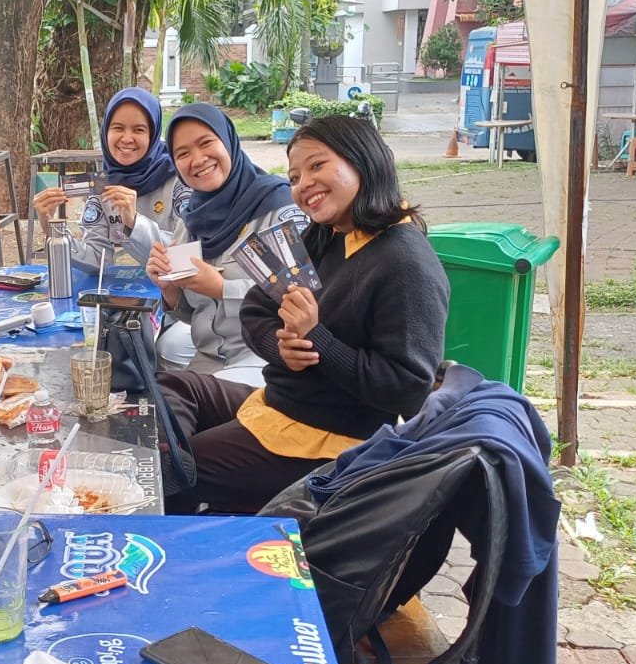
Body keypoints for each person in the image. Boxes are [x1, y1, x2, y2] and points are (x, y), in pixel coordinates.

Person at [156, 115, 450, 515]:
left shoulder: (403, 260)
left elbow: (407, 389)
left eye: (317, 166)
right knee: (171, 387)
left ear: (362, 160)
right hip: (280, 402)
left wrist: (318, 341)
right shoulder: (327, 233)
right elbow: (258, 307)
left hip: (329, 437)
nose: (303, 184)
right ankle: (209, 479)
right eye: (294, 177)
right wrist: (283, 349)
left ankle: (201, 493)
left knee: (166, 473)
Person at [145, 103, 304, 386]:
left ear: (228, 140)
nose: (197, 160)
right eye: (183, 153)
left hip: (266, 356)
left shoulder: (276, 207)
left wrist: (221, 288)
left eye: (206, 143)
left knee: (173, 398)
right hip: (210, 357)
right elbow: (194, 313)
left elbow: (300, 295)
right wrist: (170, 290)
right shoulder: (191, 220)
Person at [31, 87, 185, 269]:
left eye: (139, 129)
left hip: (189, 285)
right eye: (118, 127)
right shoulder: (102, 183)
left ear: (153, 135)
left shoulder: (180, 179)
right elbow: (98, 259)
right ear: (106, 131)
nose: (127, 138)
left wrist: (134, 222)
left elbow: (186, 255)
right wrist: (53, 230)